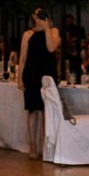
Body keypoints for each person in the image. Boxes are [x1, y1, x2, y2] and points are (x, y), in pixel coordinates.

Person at [18, 8, 60, 159]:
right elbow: (22, 58)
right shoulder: (28, 34)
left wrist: (46, 27)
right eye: (37, 15)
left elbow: (51, 48)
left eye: (42, 14)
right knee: (32, 110)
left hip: (47, 74)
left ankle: (45, 146)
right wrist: (19, 78)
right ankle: (33, 147)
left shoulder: (54, 31)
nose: (39, 17)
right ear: (33, 17)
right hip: (31, 74)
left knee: (45, 110)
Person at [61, 14, 84, 79]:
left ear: (73, 20)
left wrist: (73, 40)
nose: (69, 23)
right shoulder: (63, 29)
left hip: (75, 48)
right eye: (67, 21)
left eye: (70, 21)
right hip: (67, 49)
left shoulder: (78, 29)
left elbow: (82, 39)